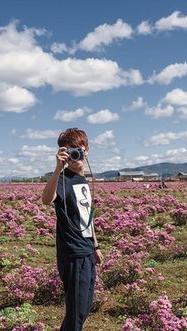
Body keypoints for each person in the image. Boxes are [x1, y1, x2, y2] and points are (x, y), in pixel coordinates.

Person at [42, 128, 103, 331]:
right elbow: (45, 199)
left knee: (83, 309)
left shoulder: (83, 180)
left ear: (87, 150)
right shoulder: (62, 179)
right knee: (76, 313)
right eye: (71, 150)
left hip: (87, 252)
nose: (76, 154)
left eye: (80, 149)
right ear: (64, 153)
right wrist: (58, 168)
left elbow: (87, 216)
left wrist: (95, 245)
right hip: (72, 254)